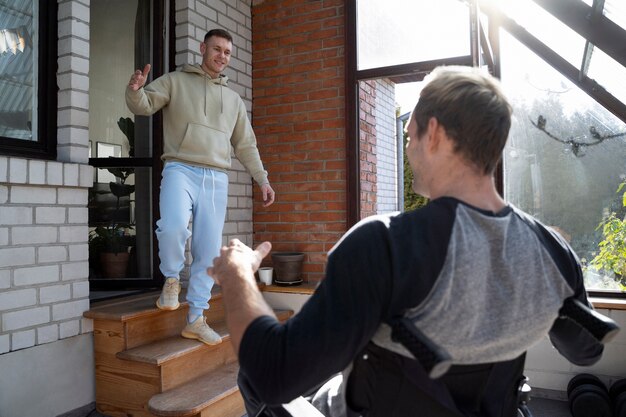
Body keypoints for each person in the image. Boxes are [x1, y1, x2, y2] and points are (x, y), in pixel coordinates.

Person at [208, 66, 605, 416]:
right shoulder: (549, 251)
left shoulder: (382, 244)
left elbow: (275, 376)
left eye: (409, 131)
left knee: (253, 373)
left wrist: (237, 274)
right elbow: (586, 352)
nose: (408, 144)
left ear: (432, 133)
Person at [126, 28, 275, 346]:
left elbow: (245, 144)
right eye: (217, 49)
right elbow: (145, 104)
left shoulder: (233, 100)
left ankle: (195, 318)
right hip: (180, 167)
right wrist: (136, 91)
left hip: (216, 177)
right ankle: (170, 278)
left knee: (208, 251)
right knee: (173, 227)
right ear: (202, 48)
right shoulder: (176, 81)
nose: (222, 56)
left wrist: (261, 178)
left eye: (227, 52)